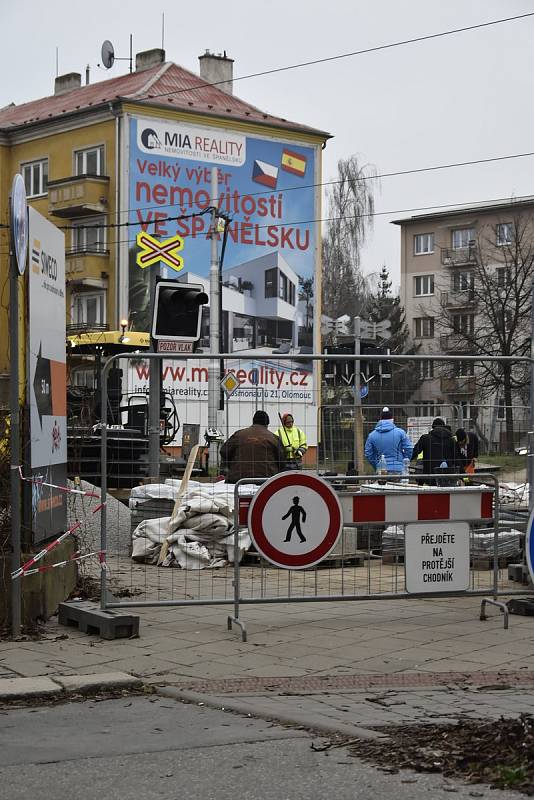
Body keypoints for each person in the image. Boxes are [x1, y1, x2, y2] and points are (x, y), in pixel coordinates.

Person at [220, 410, 286, 483]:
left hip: (238, 479)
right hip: (266, 480)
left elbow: (224, 451)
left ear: (253, 421)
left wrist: (232, 466)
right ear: (267, 424)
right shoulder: (274, 438)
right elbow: (282, 461)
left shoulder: (238, 435)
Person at [411, 417, 462, 484]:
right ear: (444, 427)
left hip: (429, 476)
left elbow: (414, 452)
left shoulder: (425, 438)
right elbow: (457, 459)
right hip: (447, 477)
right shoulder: (451, 440)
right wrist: (463, 475)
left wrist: (406, 460)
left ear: (433, 427)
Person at [364, 407, 413, 474]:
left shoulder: (372, 435)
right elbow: (409, 449)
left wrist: (376, 465)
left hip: (381, 469)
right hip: (398, 468)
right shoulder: (400, 432)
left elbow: (368, 454)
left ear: (380, 419)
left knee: (382, 484)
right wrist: (404, 462)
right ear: (392, 419)